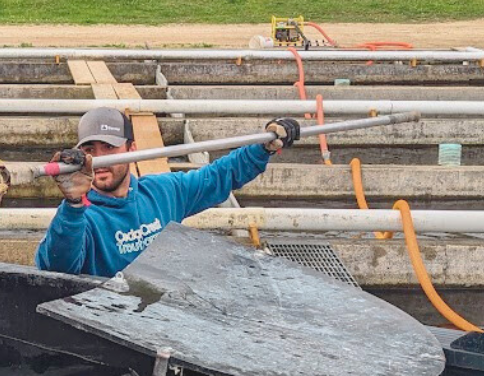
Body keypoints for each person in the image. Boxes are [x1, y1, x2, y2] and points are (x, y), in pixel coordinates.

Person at [35, 107, 300, 277]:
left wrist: (263, 147)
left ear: (132, 149)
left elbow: (218, 177)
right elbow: (54, 272)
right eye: (91, 150)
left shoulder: (162, 193)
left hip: (158, 321)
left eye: (109, 148)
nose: (101, 159)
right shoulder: (81, 216)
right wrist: (72, 204)